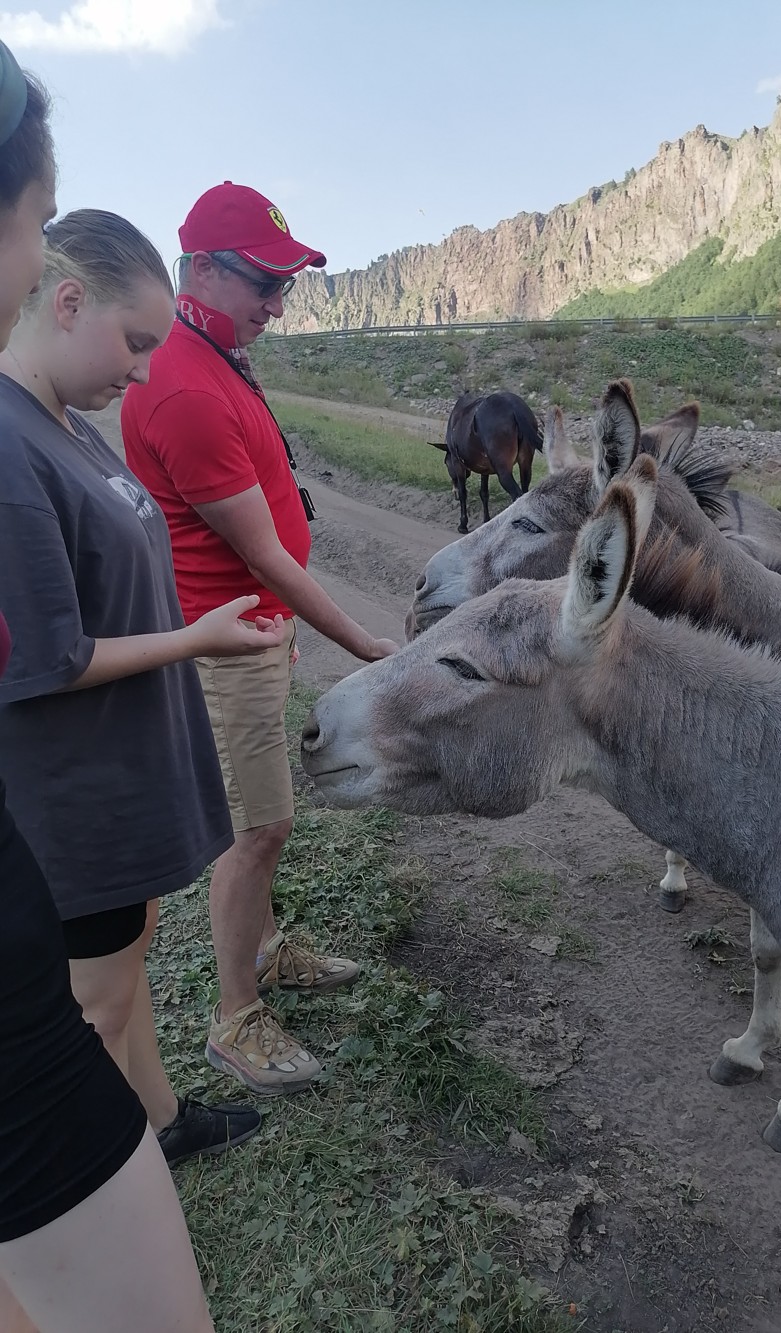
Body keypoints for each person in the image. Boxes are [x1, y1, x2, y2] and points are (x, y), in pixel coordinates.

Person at [0, 43, 223, 1333]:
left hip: (119, 790)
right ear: (64, 294)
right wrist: (203, 641)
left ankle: (160, 1126)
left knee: (127, 982)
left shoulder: (71, 431)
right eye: (133, 343)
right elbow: (52, 660)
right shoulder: (11, 445)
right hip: (72, 809)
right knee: (97, 998)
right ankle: (128, 1159)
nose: (141, 373)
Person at [123, 183, 398, 1095]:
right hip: (230, 646)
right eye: (264, 284)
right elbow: (267, 559)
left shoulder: (212, 345)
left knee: (264, 818)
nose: (278, 306)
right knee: (260, 827)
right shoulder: (184, 389)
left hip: (255, 633)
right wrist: (365, 643)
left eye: (285, 285)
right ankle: (234, 1015)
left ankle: (269, 951)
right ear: (200, 269)